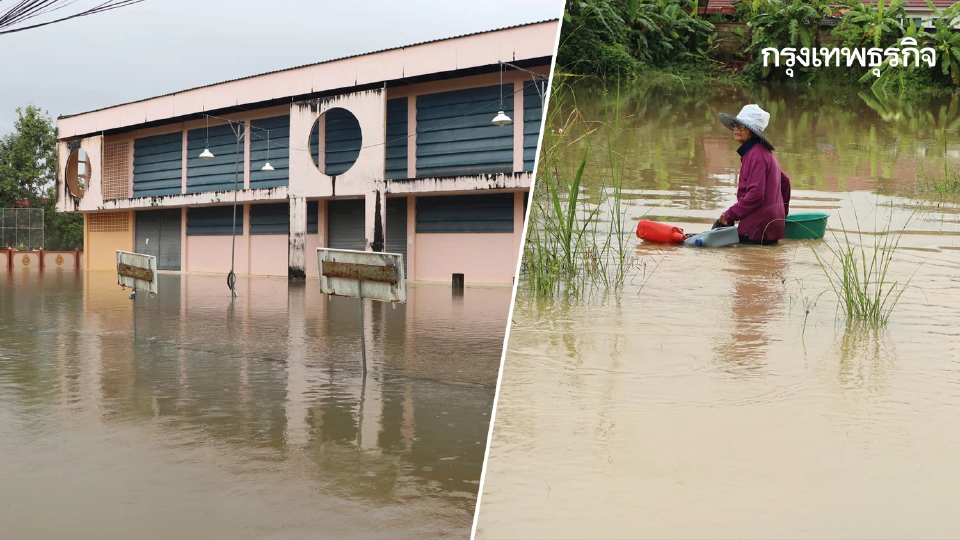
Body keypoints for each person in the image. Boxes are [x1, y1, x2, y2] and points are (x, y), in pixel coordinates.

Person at [716, 104, 791, 245]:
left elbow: (755, 195)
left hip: (756, 227)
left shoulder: (755, 155)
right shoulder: (764, 153)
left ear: (753, 131)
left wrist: (729, 214)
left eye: (742, 126)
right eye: (735, 125)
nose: (736, 129)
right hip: (771, 227)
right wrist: (780, 217)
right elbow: (785, 182)